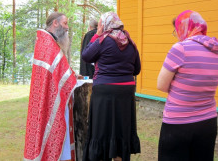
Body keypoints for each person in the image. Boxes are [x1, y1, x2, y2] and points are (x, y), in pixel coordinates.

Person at [157, 10, 218, 161]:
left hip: (178, 124)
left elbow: (161, 85)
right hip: (208, 122)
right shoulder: (217, 49)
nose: (177, 34)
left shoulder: (180, 48)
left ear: (184, 28)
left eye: (176, 30)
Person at [82, 12, 141, 161]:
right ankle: (119, 156)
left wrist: (96, 34)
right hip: (126, 93)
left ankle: (102, 155)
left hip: (105, 91)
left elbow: (86, 56)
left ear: (105, 24)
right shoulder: (130, 42)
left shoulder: (102, 41)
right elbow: (136, 69)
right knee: (121, 129)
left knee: (102, 129)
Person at [24, 12, 78, 161]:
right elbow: (62, 73)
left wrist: (72, 74)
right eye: (65, 23)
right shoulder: (48, 43)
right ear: (55, 23)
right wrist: (71, 76)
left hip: (52, 96)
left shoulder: (47, 42)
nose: (67, 27)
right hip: (52, 98)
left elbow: (61, 69)